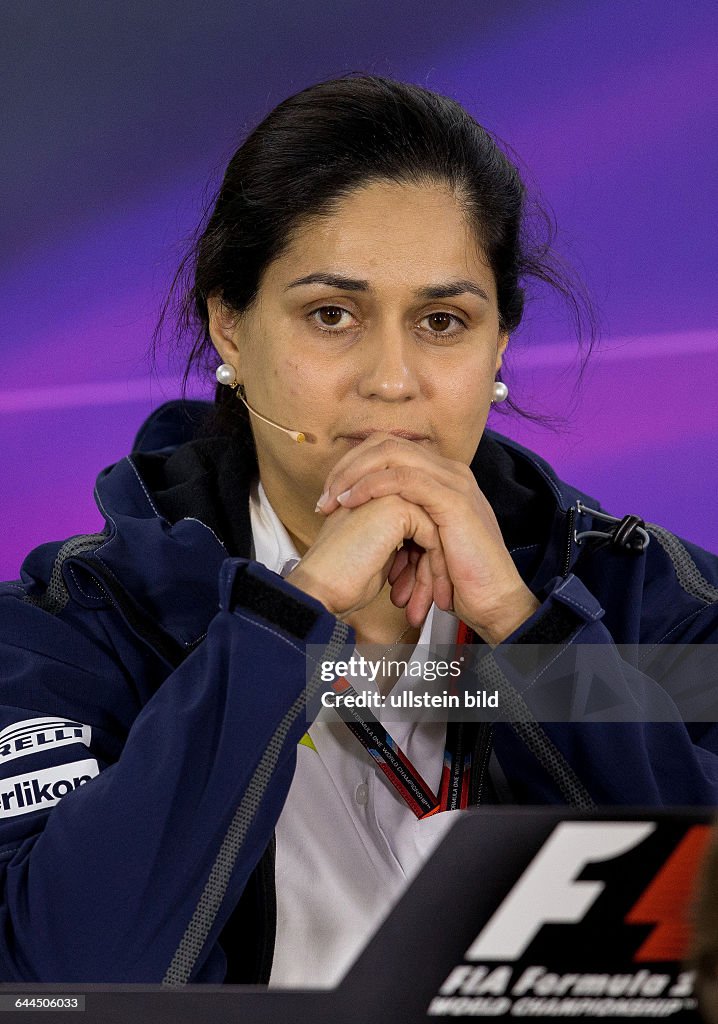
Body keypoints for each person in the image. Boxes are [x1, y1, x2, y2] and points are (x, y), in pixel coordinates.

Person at [0, 75, 717, 987]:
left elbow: (706, 952)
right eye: (331, 315)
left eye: (443, 321)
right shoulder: (63, 635)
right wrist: (281, 624)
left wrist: (527, 634)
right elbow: (54, 984)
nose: (391, 380)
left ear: (499, 346)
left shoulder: (665, 608)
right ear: (230, 324)